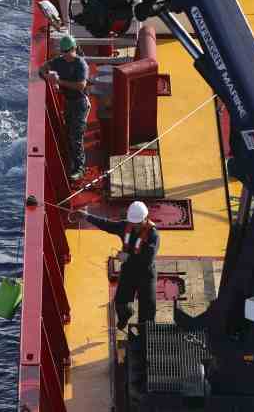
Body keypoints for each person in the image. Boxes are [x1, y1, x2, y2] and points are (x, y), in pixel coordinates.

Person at [77, 201, 159, 330]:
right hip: (129, 271)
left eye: (138, 223)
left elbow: (148, 259)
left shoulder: (153, 235)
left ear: (145, 218)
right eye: (133, 222)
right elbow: (107, 225)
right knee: (120, 303)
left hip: (146, 274)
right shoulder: (125, 226)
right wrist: (87, 216)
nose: (135, 225)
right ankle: (126, 315)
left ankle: (144, 337)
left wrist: (128, 257)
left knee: (147, 312)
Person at [38, 35, 89, 181]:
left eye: (67, 51)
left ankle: (80, 168)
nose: (65, 54)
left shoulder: (81, 64)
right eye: (63, 51)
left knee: (76, 136)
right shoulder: (59, 61)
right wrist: (47, 76)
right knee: (68, 132)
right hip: (68, 102)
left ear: (74, 49)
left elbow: (81, 85)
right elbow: (42, 68)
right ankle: (72, 162)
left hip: (79, 103)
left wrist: (59, 81)